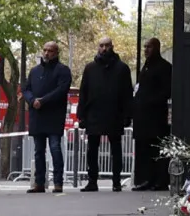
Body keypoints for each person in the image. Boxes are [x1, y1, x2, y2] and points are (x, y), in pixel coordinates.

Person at [75, 37, 131, 192]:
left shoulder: (122, 68)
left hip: (114, 113)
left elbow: (127, 93)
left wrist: (127, 115)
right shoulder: (90, 68)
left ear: (112, 47)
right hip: (94, 113)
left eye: (107, 45)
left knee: (116, 148)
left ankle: (116, 181)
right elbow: (83, 92)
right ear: (97, 47)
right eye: (101, 46)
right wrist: (82, 115)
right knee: (92, 149)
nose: (104, 48)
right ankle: (92, 181)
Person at [22, 42, 72, 194]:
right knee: (38, 150)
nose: (46, 53)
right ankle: (39, 183)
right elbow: (26, 89)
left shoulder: (63, 70)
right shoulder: (35, 71)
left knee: (55, 148)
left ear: (56, 52)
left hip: (54, 116)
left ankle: (58, 182)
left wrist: (42, 101)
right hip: (37, 116)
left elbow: (61, 90)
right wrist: (32, 100)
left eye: (50, 51)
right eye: (44, 50)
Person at [132, 38, 173, 191]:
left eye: (148, 47)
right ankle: (145, 179)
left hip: (155, 116)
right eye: (144, 47)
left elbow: (166, 90)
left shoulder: (164, 67)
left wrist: (150, 101)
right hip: (143, 115)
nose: (146, 50)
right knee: (144, 149)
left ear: (156, 47)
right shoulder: (146, 66)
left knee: (157, 148)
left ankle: (159, 180)